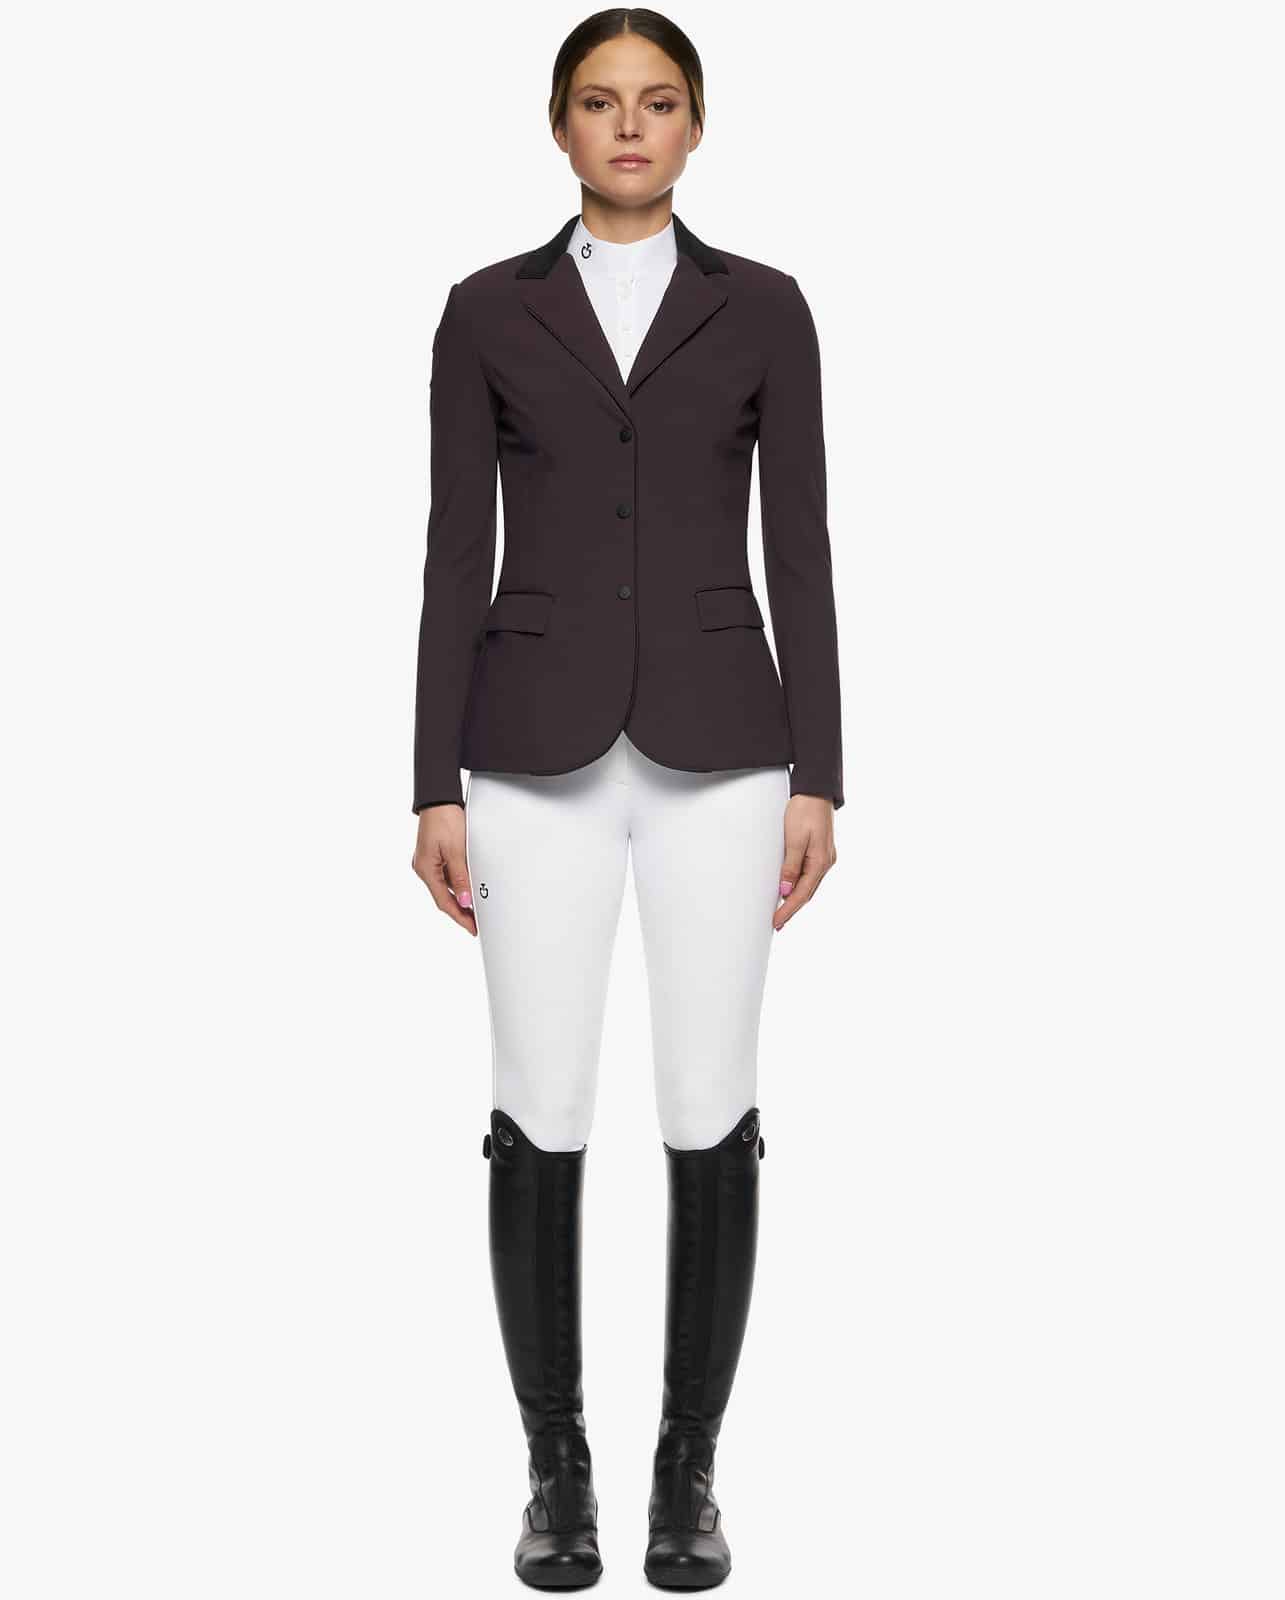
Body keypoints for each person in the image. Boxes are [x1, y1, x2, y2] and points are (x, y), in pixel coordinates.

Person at [409, 9, 844, 1589]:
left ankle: (687, 1475)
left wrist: (823, 771)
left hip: (725, 752)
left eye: (659, 102)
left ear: (697, 126)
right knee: (540, 1103)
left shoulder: (766, 307)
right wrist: (430, 783)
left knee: (709, 1100)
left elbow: (800, 542)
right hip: (529, 757)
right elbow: (454, 547)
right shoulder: (485, 310)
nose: (632, 126)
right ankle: (557, 1472)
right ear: (561, 127)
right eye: (601, 102)